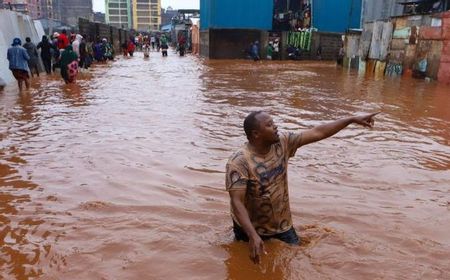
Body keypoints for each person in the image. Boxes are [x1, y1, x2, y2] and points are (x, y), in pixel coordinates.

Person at [225, 111, 379, 264]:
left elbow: (318, 132)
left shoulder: (283, 143)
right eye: (269, 125)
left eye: (274, 122)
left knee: (292, 263)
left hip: (282, 226)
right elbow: (236, 202)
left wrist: (351, 119)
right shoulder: (239, 162)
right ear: (256, 134)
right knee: (242, 264)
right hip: (248, 229)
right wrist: (252, 235)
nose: (275, 126)